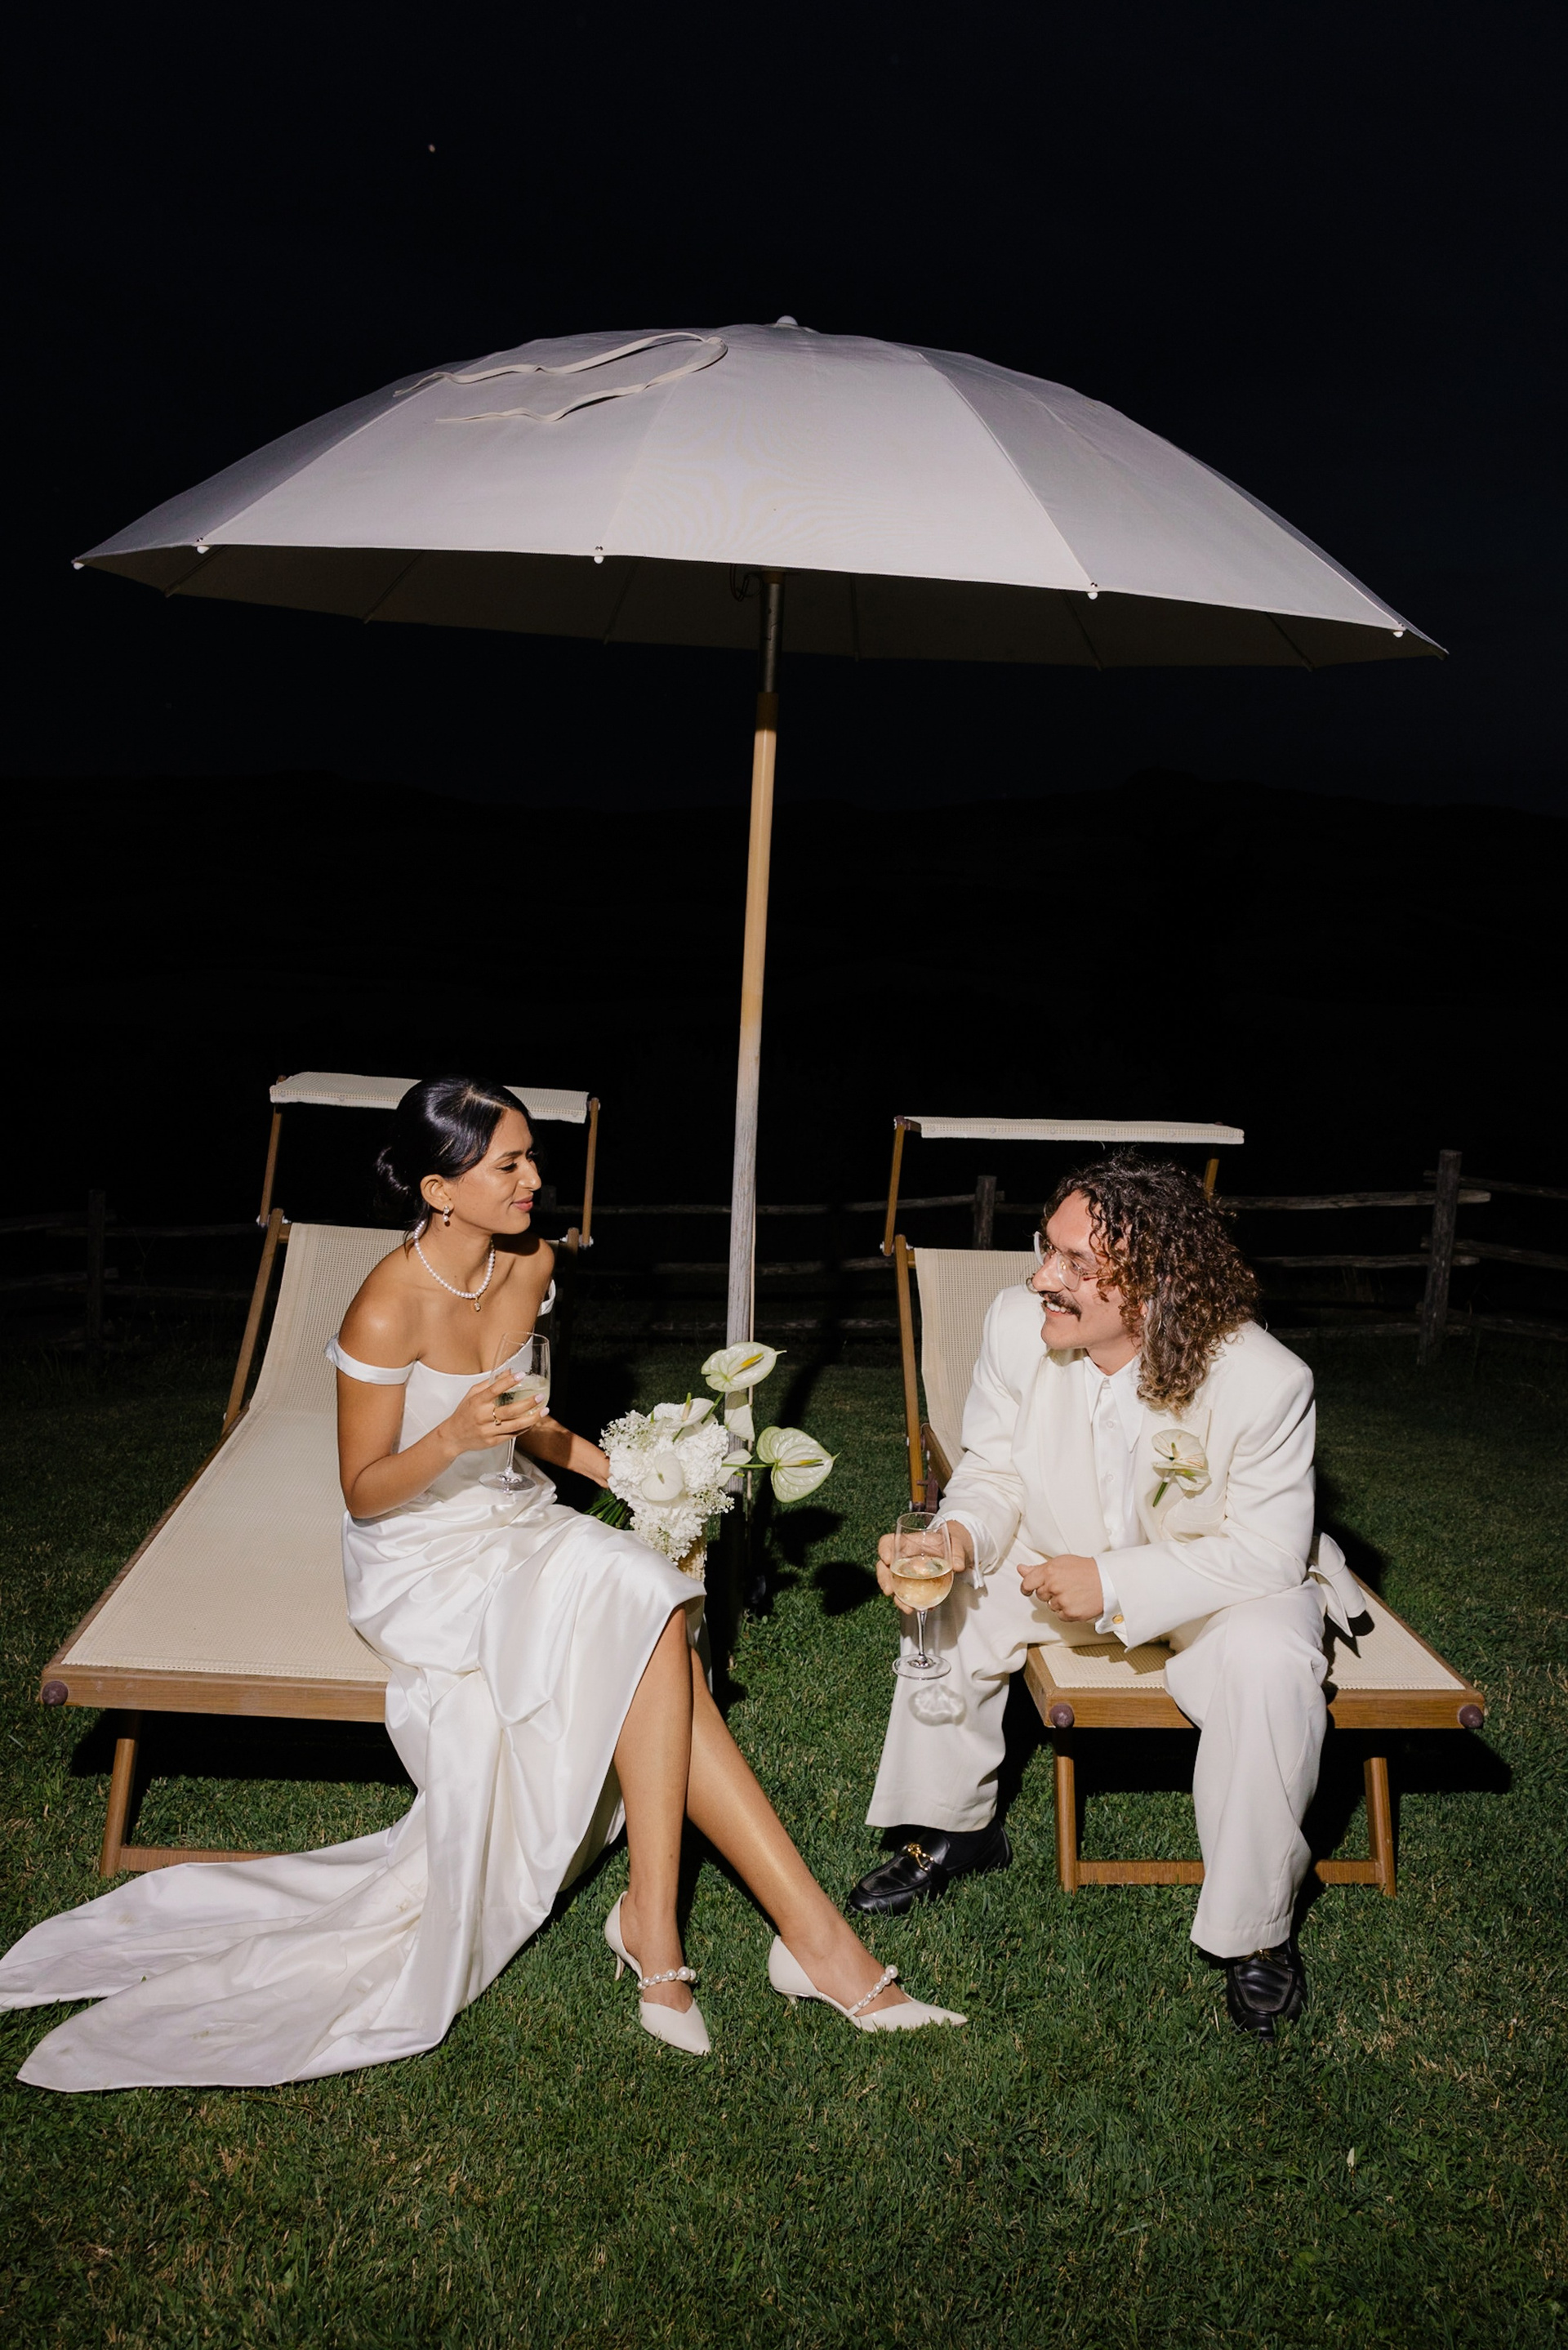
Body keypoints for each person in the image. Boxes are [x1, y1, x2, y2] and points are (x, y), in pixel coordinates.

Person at [1, 1078, 961, 2087]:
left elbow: (525, 1422)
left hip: (512, 1516)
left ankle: (685, 1930)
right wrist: (453, 1435)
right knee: (645, 1613)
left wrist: (630, 1475)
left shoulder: (532, 1262)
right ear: (438, 1189)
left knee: (642, 1597)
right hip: (416, 1552)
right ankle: (779, 1944)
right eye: (509, 1164)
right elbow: (365, 1490)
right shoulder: (384, 1307)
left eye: (531, 1155)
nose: (534, 1179)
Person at [850, 1156, 1362, 2042]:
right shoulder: (1015, 1325)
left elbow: (1269, 1553)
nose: (1042, 1278)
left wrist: (1118, 1581)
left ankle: (1257, 1928)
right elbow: (993, 1470)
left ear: (1158, 1281)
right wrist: (954, 1538)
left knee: (1272, 1663)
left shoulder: (1265, 1379)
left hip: (1221, 1582)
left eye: (1077, 1264)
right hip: (1055, 1550)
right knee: (950, 1597)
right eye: (1046, 1249)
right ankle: (955, 1828)